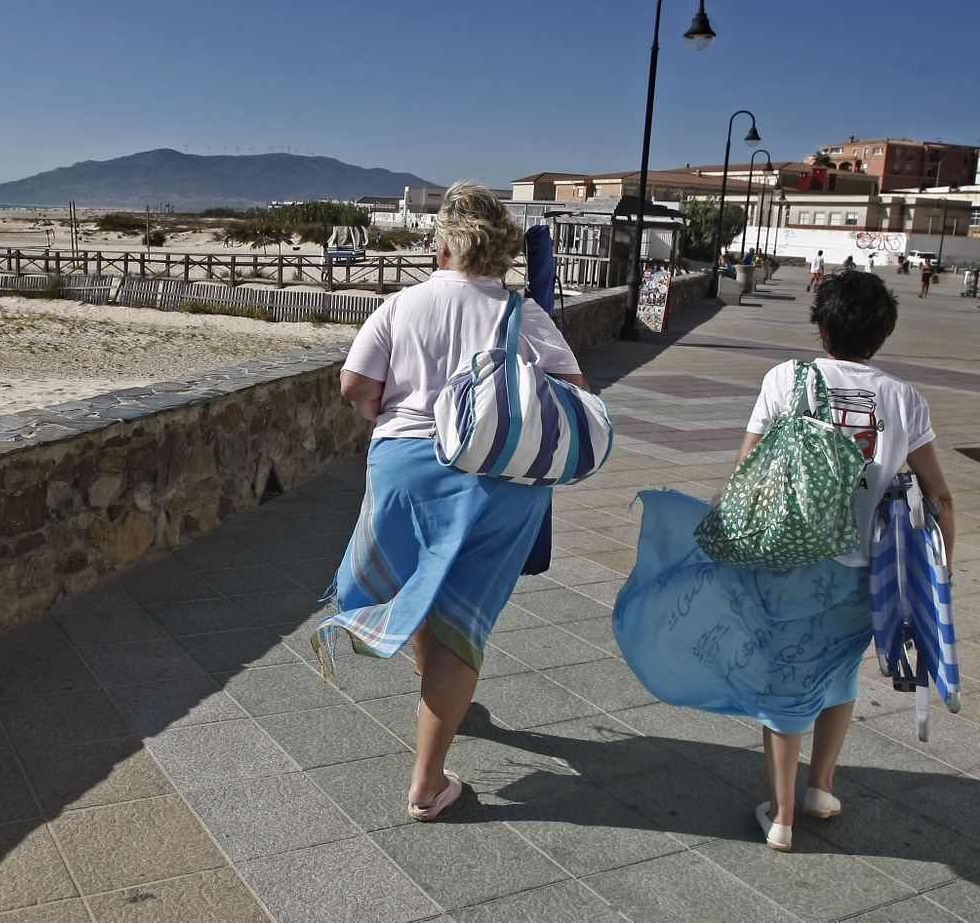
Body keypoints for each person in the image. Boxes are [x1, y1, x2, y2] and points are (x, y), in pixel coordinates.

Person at [614, 271, 956, 853]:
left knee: (784, 680)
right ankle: (820, 788)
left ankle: (781, 815)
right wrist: (941, 569)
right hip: (861, 572)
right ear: (883, 331)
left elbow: (746, 469)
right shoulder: (905, 399)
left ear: (821, 327)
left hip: (783, 564)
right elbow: (940, 495)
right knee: (838, 672)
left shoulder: (785, 379)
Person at [325, 182, 589, 821]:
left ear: (443, 243)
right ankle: (427, 780)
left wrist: (389, 418)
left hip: (403, 469)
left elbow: (355, 385)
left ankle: (432, 694)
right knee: (462, 618)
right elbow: (575, 394)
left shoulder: (402, 304)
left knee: (421, 587)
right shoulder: (523, 315)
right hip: (495, 484)